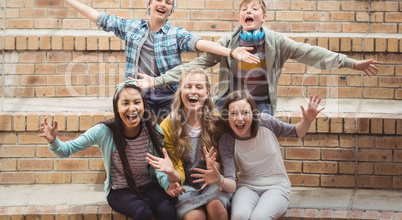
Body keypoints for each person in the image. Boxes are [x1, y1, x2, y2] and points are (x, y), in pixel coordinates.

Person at [135, 0, 381, 115]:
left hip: (261, 102)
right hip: (228, 99)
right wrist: (155, 81)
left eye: (254, 9)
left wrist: (352, 63)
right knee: (211, 124)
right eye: (244, 9)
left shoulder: (277, 42)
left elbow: (311, 53)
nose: (248, 12)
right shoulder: (227, 44)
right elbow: (195, 64)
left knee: (264, 128)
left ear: (264, 18)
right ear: (239, 18)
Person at [43, 0, 259, 119]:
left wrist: (231, 52)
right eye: (159, 0)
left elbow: (201, 43)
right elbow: (100, 18)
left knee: (176, 125)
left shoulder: (175, 34)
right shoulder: (133, 27)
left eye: (168, 3)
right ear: (149, 5)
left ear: (170, 11)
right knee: (130, 120)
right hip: (138, 91)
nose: (163, 4)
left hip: (167, 93)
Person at [38, 81, 185, 220]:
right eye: (125, 103)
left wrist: (167, 184)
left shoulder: (153, 131)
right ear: (116, 107)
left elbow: (158, 169)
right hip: (120, 190)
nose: (132, 108)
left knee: (167, 210)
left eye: (137, 102)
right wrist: (53, 141)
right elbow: (65, 150)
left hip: (148, 186)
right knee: (143, 211)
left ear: (144, 105)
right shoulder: (104, 131)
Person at [191, 90, 325, 220]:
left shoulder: (266, 123)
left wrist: (307, 121)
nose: (239, 118)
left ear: (254, 114)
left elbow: (297, 132)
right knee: (239, 216)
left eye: (245, 113)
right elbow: (231, 184)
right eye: (233, 113)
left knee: (259, 217)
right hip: (247, 186)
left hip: (276, 186)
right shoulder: (227, 140)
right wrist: (218, 179)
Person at [146, 67, 231, 220]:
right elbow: (177, 171)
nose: (193, 91)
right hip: (187, 186)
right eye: (188, 86)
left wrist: (216, 167)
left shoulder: (217, 121)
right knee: (195, 217)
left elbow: (226, 161)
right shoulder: (168, 126)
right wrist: (171, 173)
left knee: (216, 207)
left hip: (213, 183)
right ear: (180, 91)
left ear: (207, 92)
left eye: (199, 87)